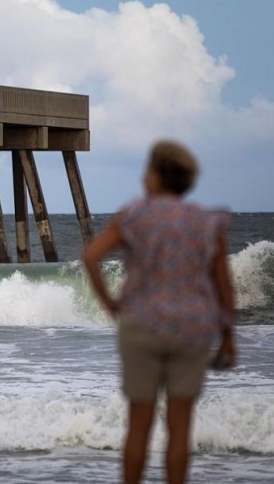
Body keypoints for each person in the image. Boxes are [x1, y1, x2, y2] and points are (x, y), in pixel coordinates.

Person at [81, 140, 236, 484]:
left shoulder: (134, 215)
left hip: (142, 325)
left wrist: (110, 304)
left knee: (140, 425)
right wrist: (229, 338)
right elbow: (224, 288)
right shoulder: (206, 221)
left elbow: (90, 257)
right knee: (179, 428)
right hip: (192, 328)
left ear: (154, 176)